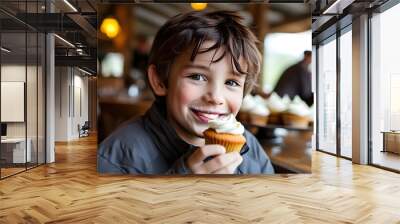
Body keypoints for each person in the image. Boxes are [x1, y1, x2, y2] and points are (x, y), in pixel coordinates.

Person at [97, 10, 274, 175]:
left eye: (231, 82)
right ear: (159, 81)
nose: (216, 97)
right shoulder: (117, 158)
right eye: (197, 77)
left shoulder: (249, 147)